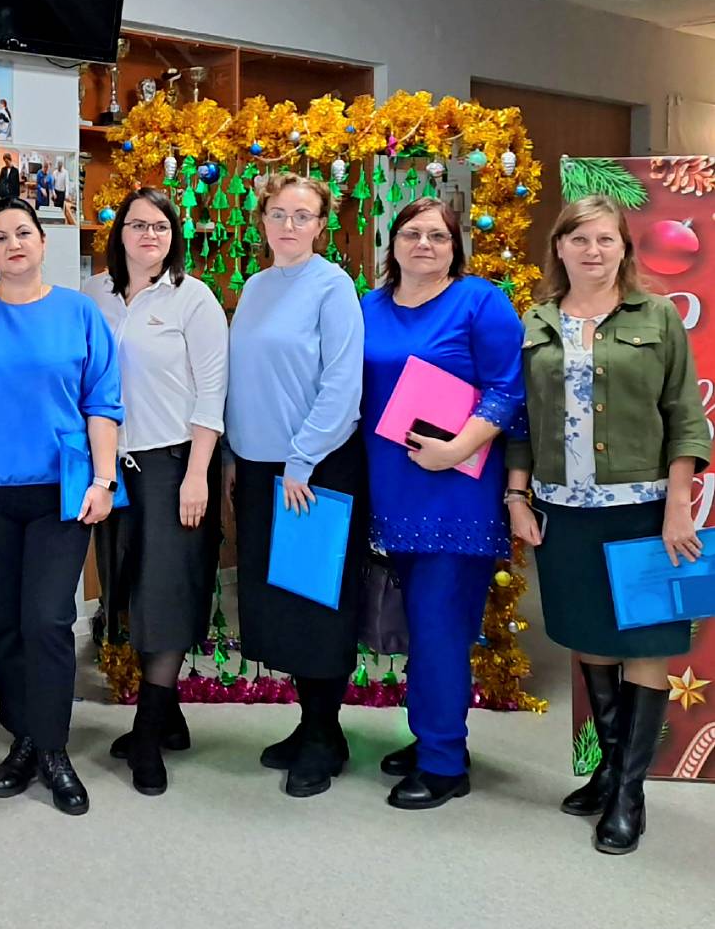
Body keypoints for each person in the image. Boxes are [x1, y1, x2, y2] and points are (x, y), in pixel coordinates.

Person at [507, 194, 709, 855]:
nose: (592, 251)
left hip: (644, 509)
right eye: (578, 239)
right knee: (589, 636)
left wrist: (677, 505)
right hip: (563, 511)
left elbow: (684, 415)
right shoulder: (536, 320)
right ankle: (611, 768)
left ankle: (628, 793)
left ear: (623, 247)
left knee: (645, 641)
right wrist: (516, 495)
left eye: (604, 239)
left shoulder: (656, 316)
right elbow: (520, 420)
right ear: (558, 248)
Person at [361, 197, 525, 810]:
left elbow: (508, 389)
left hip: (456, 490)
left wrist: (456, 449)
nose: (423, 244)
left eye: (437, 235)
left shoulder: (479, 301)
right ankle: (431, 733)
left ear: (455, 246)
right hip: (389, 489)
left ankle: (444, 763)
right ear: (393, 243)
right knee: (419, 624)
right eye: (412, 233)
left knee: (440, 628)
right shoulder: (368, 306)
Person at [0, 197, 123, 816]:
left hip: (63, 491)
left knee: (48, 620)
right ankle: (23, 736)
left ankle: (54, 749)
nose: (14, 244)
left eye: (23, 232)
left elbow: (103, 401)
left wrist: (104, 480)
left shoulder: (79, 312)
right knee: (3, 621)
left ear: (43, 241)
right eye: (0, 236)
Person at [224, 173, 369, 798]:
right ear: (262, 219)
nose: (288, 225)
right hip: (262, 469)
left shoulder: (332, 287)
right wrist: (235, 453)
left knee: (316, 603)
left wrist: (303, 460)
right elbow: (243, 378)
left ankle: (323, 734)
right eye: (278, 213)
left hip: (315, 468)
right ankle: (313, 725)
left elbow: (342, 385)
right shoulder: (257, 286)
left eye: (302, 215)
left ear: (321, 225)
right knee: (279, 602)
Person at [83, 188, 227, 796]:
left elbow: (212, 393)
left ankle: (147, 735)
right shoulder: (94, 295)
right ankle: (169, 717)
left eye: (161, 226)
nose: (149, 235)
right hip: (112, 468)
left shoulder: (193, 297)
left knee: (165, 594)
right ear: (119, 232)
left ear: (174, 236)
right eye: (138, 224)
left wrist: (197, 474)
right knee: (129, 590)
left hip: (174, 465)